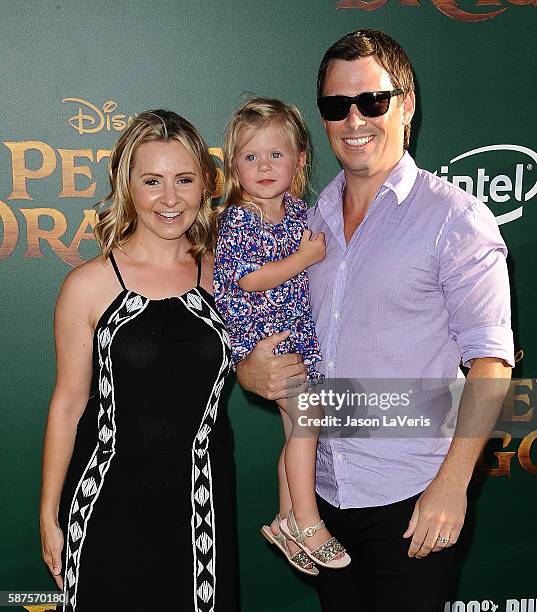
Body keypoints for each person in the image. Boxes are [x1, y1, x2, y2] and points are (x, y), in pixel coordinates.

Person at [236, 30, 514, 611]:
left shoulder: (454, 218)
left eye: (373, 101)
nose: (354, 119)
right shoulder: (305, 220)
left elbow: (492, 364)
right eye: (337, 106)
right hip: (326, 495)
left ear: (407, 104)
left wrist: (452, 486)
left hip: (412, 496)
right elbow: (260, 314)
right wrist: (250, 370)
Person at [39, 110, 238, 612]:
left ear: (205, 185)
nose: (170, 199)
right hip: (106, 501)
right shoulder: (87, 285)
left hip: (200, 509)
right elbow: (67, 404)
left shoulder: (230, 277)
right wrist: (48, 509)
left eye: (184, 180)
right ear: (128, 186)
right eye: (152, 181)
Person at [213, 98, 350, 575]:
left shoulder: (298, 212)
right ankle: (309, 522)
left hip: (297, 341)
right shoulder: (238, 218)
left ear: (299, 161)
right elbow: (249, 279)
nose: (265, 166)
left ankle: (286, 519)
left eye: (276, 154)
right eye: (251, 157)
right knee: (307, 424)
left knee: (297, 430)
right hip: (265, 343)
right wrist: (304, 259)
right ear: (234, 167)